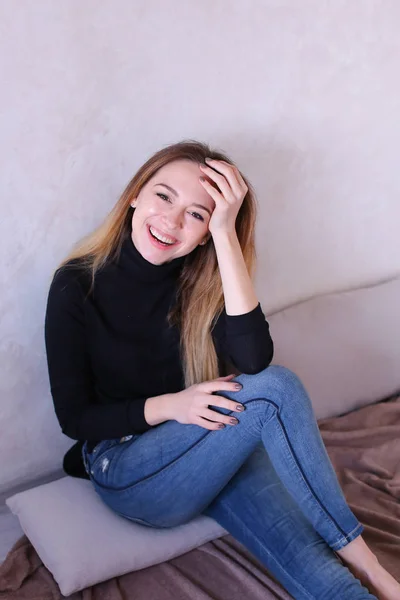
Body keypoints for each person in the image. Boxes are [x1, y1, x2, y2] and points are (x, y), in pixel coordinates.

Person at [44, 140, 399, 599]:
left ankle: (368, 585)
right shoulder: (77, 283)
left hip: (207, 448)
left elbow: (253, 359)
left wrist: (227, 233)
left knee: (314, 566)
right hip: (127, 466)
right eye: (164, 196)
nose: (171, 221)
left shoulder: (204, 287)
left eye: (198, 214)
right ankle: (372, 566)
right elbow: (74, 419)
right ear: (135, 194)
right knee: (275, 389)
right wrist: (172, 406)